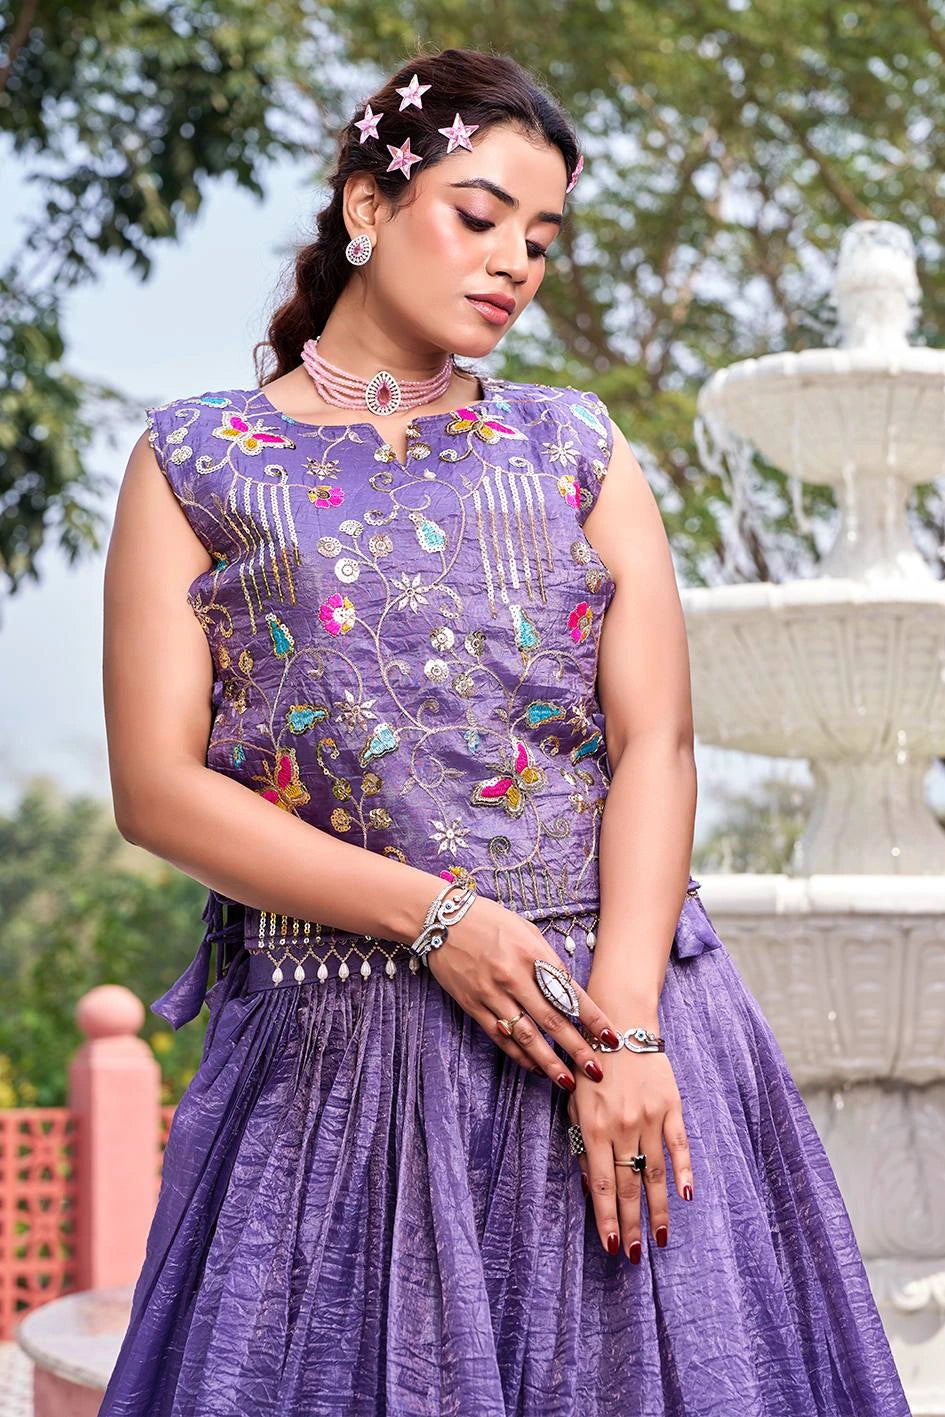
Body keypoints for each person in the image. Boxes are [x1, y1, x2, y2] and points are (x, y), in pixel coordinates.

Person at [99, 44, 911, 1417]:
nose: (513, 264)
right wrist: (439, 920)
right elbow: (157, 788)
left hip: (605, 1038)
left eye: (540, 238)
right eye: (479, 217)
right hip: (335, 1063)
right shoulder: (198, 460)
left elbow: (656, 745)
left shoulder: (574, 446)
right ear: (368, 205)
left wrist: (628, 1041)